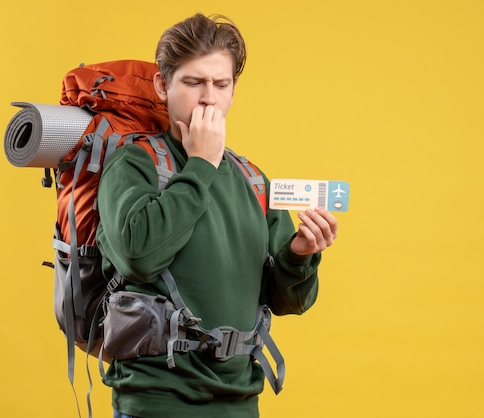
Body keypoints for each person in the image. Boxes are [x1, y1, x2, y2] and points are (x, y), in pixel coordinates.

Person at [95, 13, 339, 418]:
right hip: (156, 405)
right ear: (162, 86)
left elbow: (291, 300)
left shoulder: (253, 179)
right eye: (193, 83)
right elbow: (138, 256)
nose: (209, 98)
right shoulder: (133, 164)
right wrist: (202, 165)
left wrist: (300, 253)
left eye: (220, 84)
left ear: (232, 91)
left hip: (241, 404)